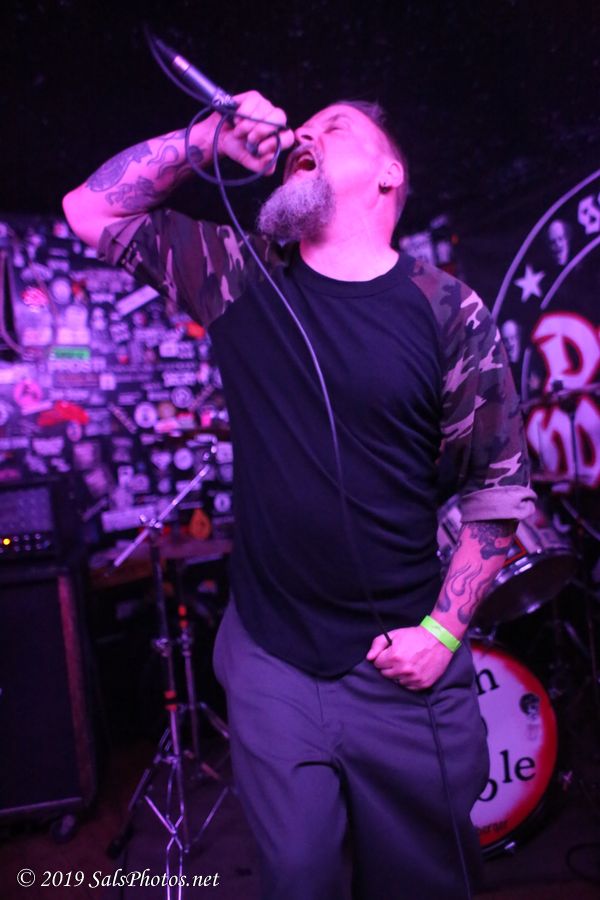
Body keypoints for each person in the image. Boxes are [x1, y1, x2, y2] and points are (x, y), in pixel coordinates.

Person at [63, 91, 535, 900]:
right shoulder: (240, 277)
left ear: (389, 175)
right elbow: (90, 210)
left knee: (421, 882)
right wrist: (209, 139)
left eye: (335, 128)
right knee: (299, 878)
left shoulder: (447, 310)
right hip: (273, 658)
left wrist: (443, 631)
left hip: (401, 665)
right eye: (303, 129)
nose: (305, 134)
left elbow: (498, 490)